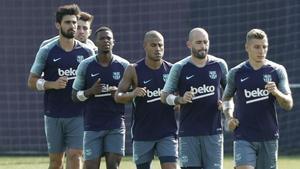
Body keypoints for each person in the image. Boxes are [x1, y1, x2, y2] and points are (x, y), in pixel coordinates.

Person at [27, 4, 95, 169]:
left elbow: (93, 79)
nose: (72, 26)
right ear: (58, 25)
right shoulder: (47, 50)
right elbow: (31, 81)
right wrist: (51, 84)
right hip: (54, 114)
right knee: (56, 162)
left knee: (75, 155)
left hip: (79, 114)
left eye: (74, 22)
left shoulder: (87, 52)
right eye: (68, 22)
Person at [222, 29, 293, 169]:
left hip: (269, 136)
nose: (261, 51)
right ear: (247, 47)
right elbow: (226, 98)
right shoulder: (236, 72)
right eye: (257, 47)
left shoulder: (277, 70)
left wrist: (277, 93)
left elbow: (288, 104)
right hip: (243, 136)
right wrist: (229, 117)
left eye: (264, 47)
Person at [161, 28, 228, 169]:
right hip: (189, 133)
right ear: (189, 44)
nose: (203, 46)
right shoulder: (180, 67)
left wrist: (226, 106)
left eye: (206, 42)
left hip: (213, 133)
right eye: (198, 42)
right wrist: (179, 100)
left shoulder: (219, 65)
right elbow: (164, 96)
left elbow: (230, 93)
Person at [114, 30, 178, 169]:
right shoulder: (133, 69)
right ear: (145, 46)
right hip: (143, 133)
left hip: (167, 132)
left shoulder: (172, 70)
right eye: (153, 45)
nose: (158, 49)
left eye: (160, 45)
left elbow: (180, 99)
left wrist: (178, 102)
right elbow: (117, 96)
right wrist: (132, 94)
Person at [72, 26, 129, 169]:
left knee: (113, 166)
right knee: (90, 166)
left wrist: (119, 94)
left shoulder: (124, 66)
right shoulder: (85, 65)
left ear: (114, 42)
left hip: (115, 124)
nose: (106, 41)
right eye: (102, 38)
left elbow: (134, 95)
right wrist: (89, 91)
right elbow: (74, 96)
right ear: (95, 43)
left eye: (108, 38)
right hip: (92, 125)